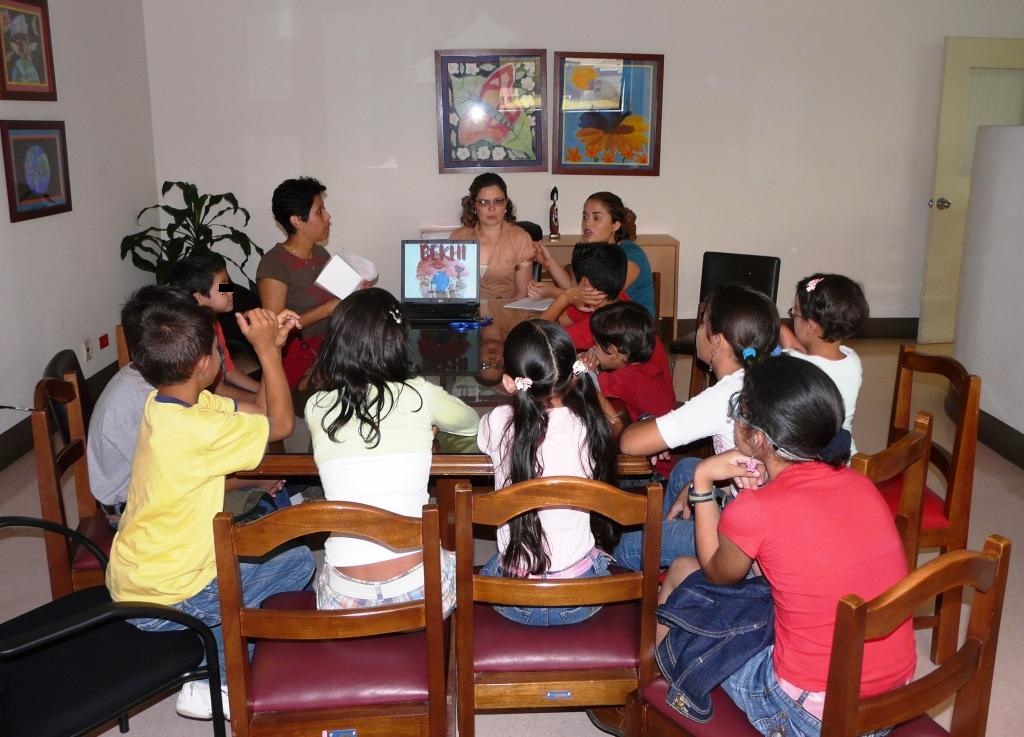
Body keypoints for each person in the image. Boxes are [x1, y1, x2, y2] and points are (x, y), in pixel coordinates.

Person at [656, 356, 915, 737]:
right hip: (891, 699)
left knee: (681, 573)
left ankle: (665, 703)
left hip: (807, 713)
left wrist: (703, 477)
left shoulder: (757, 509)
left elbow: (718, 573)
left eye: (738, 411)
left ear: (757, 439)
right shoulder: (859, 483)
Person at [105, 297, 314, 721]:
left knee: (259, 549)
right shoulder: (197, 428)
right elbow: (282, 424)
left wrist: (270, 350)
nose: (224, 355)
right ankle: (219, 680)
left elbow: (260, 409)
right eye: (219, 350)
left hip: (138, 576)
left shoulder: (168, 404)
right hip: (173, 596)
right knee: (298, 561)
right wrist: (269, 354)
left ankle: (218, 652)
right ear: (204, 364)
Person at [305, 288, 478, 614]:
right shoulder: (420, 394)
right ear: (398, 341)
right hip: (421, 592)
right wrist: (429, 426)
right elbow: (470, 424)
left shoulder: (317, 406)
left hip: (343, 601)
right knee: (458, 558)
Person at [612, 285, 779, 571]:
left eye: (703, 323)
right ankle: (665, 544)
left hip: (751, 545)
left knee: (626, 547)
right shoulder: (772, 373)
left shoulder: (725, 396)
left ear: (717, 341)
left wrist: (650, 430)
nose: (698, 329)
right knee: (686, 467)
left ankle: (661, 558)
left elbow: (630, 443)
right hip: (763, 506)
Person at [477, 319, 620, 626]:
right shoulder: (589, 425)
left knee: (489, 563)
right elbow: (614, 424)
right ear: (573, 376)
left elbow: (485, 437)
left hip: (515, 601)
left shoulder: (497, 422)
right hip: (581, 598)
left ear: (508, 382)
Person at [257, 176, 375, 387]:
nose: (328, 217)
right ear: (297, 221)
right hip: (300, 356)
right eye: (320, 211)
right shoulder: (274, 264)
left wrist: (355, 290)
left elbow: (337, 299)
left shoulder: (320, 254)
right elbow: (274, 330)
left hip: (332, 346)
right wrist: (327, 310)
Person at [779, 273, 869, 453]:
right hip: (845, 457)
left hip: (809, 462)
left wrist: (781, 330)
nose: (792, 318)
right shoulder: (851, 359)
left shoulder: (793, 365)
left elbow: (790, 354)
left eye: (794, 313)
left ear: (811, 326)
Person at [531, 191, 655, 318]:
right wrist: (548, 262)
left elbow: (598, 300)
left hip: (631, 326)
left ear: (615, 225)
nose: (587, 224)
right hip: (604, 317)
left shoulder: (631, 255)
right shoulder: (593, 251)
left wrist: (553, 292)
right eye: (585, 217)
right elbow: (575, 289)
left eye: (596, 218)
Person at [169, 252, 261, 403]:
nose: (231, 290)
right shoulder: (194, 335)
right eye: (223, 286)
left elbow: (229, 370)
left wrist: (261, 389)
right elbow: (217, 390)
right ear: (199, 297)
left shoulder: (214, 324)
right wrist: (258, 400)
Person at [450, 172, 534, 299]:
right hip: (467, 314)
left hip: (507, 312)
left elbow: (523, 293)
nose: (492, 208)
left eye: (498, 201)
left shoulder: (520, 239)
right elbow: (451, 286)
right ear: (474, 206)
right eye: (484, 202)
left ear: (506, 204)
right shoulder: (458, 237)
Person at [537, 243, 627, 351]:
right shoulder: (617, 297)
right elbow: (560, 321)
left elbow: (535, 339)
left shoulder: (595, 329)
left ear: (584, 282)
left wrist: (566, 297)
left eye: (571, 279)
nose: (570, 286)